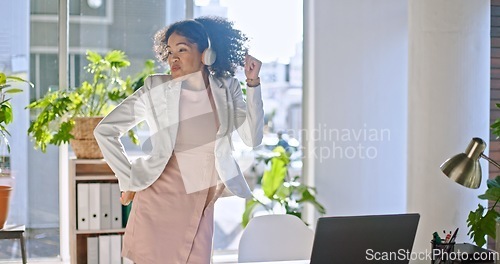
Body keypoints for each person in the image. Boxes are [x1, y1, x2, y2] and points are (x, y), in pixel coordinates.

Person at [93, 16, 264, 264]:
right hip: (159, 197)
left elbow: (252, 138)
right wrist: (128, 179)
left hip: (201, 200)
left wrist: (253, 83)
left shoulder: (227, 88)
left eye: (182, 50)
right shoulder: (155, 89)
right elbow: (105, 131)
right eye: (170, 51)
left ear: (206, 54)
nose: (173, 58)